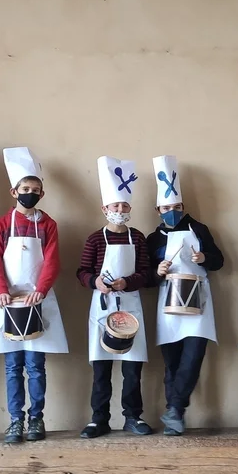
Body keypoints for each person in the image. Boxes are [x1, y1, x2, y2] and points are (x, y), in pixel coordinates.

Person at [0, 147, 69, 443]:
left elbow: (52, 261)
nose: (29, 194)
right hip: (7, 302)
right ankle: (15, 420)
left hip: (38, 300)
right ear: (14, 191)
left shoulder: (48, 225)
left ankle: (37, 418)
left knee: (35, 366)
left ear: (42, 194)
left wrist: (40, 290)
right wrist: (1, 290)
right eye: (25, 189)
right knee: (12, 367)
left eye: (35, 190)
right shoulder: (0, 225)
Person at [147, 155, 226, 436]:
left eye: (176, 207)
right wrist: (157, 271)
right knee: (172, 362)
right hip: (167, 302)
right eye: (166, 208)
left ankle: (175, 409)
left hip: (197, 301)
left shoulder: (199, 229)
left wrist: (204, 257)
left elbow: (219, 261)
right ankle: (175, 414)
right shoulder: (153, 239)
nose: (172, 211)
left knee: (193, 356)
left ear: (183, 207)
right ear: (158, 209)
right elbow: (145, 277)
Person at [78, 157, 154, 438]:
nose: (119, 210)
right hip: (103, 307)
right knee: (101, 367)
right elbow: (82, 271)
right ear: (105, 209)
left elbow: (145, 273)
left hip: (131, 306)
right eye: (114, 206)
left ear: (130, 208)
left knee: (132, 368)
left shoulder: (138, 238)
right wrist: (95, 281)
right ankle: (99, 419)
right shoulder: (95, 239)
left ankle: (133, 417)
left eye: (124, 206)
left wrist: (128, 282)